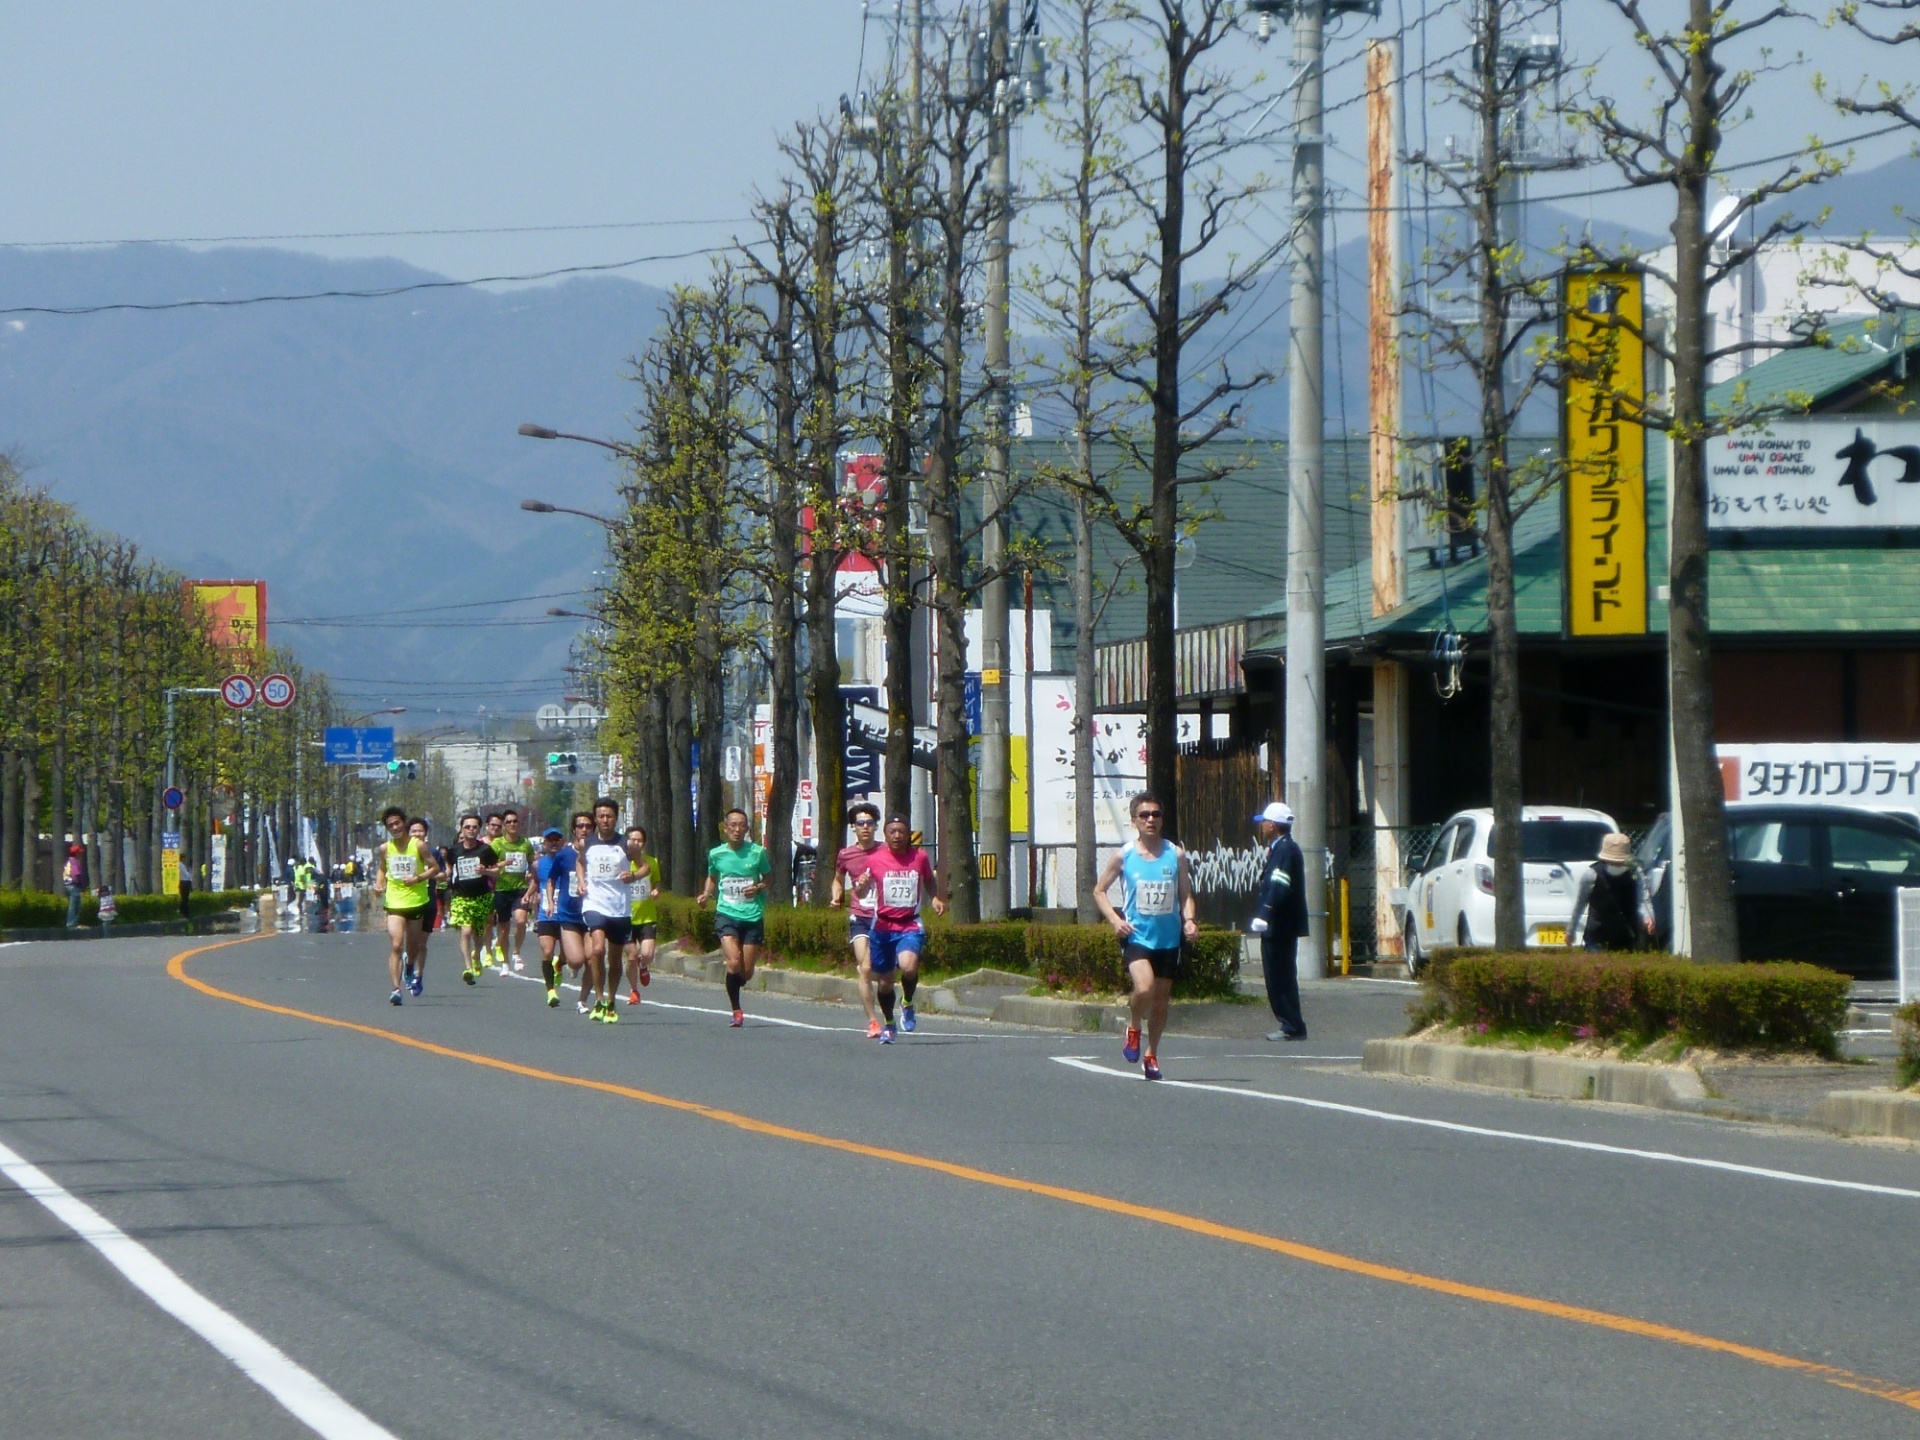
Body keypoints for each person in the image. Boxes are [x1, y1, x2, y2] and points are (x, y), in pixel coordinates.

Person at [1094, 792, 1197, 1080]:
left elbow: (1185, 894)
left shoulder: (1175, 854)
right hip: (1137, 936)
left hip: (1168, 938)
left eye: (1156, 814)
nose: (1151, 819)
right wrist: (1115, 920)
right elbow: (1099, 891)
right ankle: (1134, 1026)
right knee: (1144, 988)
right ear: (1134, 821)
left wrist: (1189, 920)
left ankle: (1151, 1054)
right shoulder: (1124, 855)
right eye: (1144, 815)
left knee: (1162, 1001)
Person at [861, 814, 944, 1042]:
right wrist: (859, 888)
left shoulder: (919, 857)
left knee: (909, 967)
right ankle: (888, 1023)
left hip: (909, 923)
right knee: (885, 982)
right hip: (883, 927)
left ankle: (907, 1001)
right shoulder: (875, 859)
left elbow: (928, 879)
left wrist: (935, 898)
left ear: (908, 835)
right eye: (892, 831)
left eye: (901, 831)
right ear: (885, 835)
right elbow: (859, 891)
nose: (897, 835)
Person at [697, 808, 771, 1028]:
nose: (737, 830)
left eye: (742, 825)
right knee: (734, 962)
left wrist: (757, 887)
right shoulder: (716, 854)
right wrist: (706, 894)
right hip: (726, 913)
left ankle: (737, 982)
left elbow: (768, 878)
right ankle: (736, 1010)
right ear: (726, 828)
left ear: (747, 828)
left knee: (746, 972)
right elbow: (712, 876)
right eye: (733, 825)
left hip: (752, 914)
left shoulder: (757, 852)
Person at [1250, 801, 1309, 1043]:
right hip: (1278, 925)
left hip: (1280, 925)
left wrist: (1265, 914)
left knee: (1280, 976)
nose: (1262, 826)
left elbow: (1279, 884)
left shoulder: (1285, 850)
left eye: (1264, 822)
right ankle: (1289, 1023)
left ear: (1273, 826)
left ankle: (1292, 1025)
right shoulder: (1280, 848)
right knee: (1276, 975)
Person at [374, 807, 442, 1005]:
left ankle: (410, 964)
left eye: (397, 823)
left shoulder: (418, 846)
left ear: (404, 822)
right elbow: (382, 868)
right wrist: (379, 884)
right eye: (390, 825)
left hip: (416, 900)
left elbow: (435, 868)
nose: (395, 827)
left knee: (413, 948)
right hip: (394, 901)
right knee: (396, 944)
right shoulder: (385, 848)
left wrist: (417, 878)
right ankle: (396, 989)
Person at [580, 798, 637, 1023]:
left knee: (614, 959)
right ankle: (599, 998)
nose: (605, 820)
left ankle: (611, 1000)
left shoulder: (626, 844)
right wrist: (583, 881)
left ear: (616, 818)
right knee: (596, 950)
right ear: (596, 819)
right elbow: (579, 862)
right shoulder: (588, 843)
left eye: (609, 816)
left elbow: (644, 867)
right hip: (595, 903)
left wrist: (633, 876)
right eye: (601, 816)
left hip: (619, 907)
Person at [829, 803, 884, 1034]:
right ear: (853, 827)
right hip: (860, 916)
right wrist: (836, 897)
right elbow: (838, 879)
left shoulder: (886, 851)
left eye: (869, 823)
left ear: (875, 826)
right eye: (860, 823)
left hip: (884, 918)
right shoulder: (846, 854)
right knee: (865, 968)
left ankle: (889, 1006)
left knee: (881, 974)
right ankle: (873, 1020)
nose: (865, 827)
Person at [1568, 831, 1656, 952]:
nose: (1616, 864)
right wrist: (1570, 932)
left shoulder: (1635, 873)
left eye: (1620, 861)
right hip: (1597, 938)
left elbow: (1643, 900)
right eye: (1613, 861)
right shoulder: (1591, 875)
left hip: (1627, 936)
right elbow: (1580, 904)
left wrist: (1648, 917)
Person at [533, 823, 588, 1008]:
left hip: (567, 914)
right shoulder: (538, 864)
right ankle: (551, 991)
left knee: (570, 957)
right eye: (550, 840)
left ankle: (560, 963)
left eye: (557, 840)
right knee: (547, 951)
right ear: (544, 843)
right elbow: (537, 883)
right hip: (547, 913)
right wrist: (532, 896)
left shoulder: (570, 857)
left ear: (563, 841)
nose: (554, 843)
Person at [446, 812, 501, 985]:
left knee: (479, 934)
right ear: (461, 829)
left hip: (482, 896)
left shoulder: (485, 850)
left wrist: (485, 872)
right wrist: (442, 879)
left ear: (479, 829)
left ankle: (477, 954)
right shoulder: (454, 850)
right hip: (462, 897)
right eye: (467, 827)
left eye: (474, 827)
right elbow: (449, 870)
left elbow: (497, 872)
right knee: (466, 931)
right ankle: (468, 967)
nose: (471, 830)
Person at [490, 808, 535, 972]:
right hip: (502, 889)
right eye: (508, 822)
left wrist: (532, 873)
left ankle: (516, 952)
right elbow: (489, 866)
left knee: (521, 921)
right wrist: (503, 864)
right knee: (504, 928)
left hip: (520, 888)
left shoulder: (525, 843)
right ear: (503, 825)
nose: (512, 824)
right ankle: (505, 961)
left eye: (515, 821)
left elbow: (532, 862)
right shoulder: (497, 844)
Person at [623, 824, 663, 1007]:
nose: (636, 843)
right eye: (632, 840)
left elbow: (657, 883)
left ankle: (643, 965)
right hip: (625, 918)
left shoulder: (651, 862)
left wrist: (656, 891)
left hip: (647, 916)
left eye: (640, 840)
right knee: (631, 955)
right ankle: (634, 991)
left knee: (646, 954)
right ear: (626, 841)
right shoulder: (621, 862)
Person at [62, 844, 88, 928]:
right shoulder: (74, 862)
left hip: (68, 884)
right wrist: (78, 883)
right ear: (76, 853)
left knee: (73, 904)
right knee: (74, 905)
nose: (81, 854)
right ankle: (71, 923)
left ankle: (72, 922)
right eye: (79, 853)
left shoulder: (69, 861)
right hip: (73, 885)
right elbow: (75, 874)